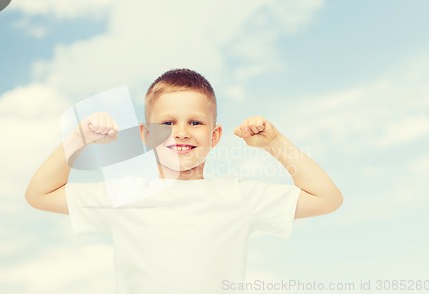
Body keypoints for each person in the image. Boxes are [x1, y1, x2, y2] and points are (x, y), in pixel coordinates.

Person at [25, 69, 343, 294]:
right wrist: (79, 138)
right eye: (167, 123)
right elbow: (39, 194)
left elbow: (327, 199)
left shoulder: (238, 195)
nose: (181, 132)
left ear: (215, 135)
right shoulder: (124, 193)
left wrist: (274, 142)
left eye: (195, 122)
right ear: (146, 135)